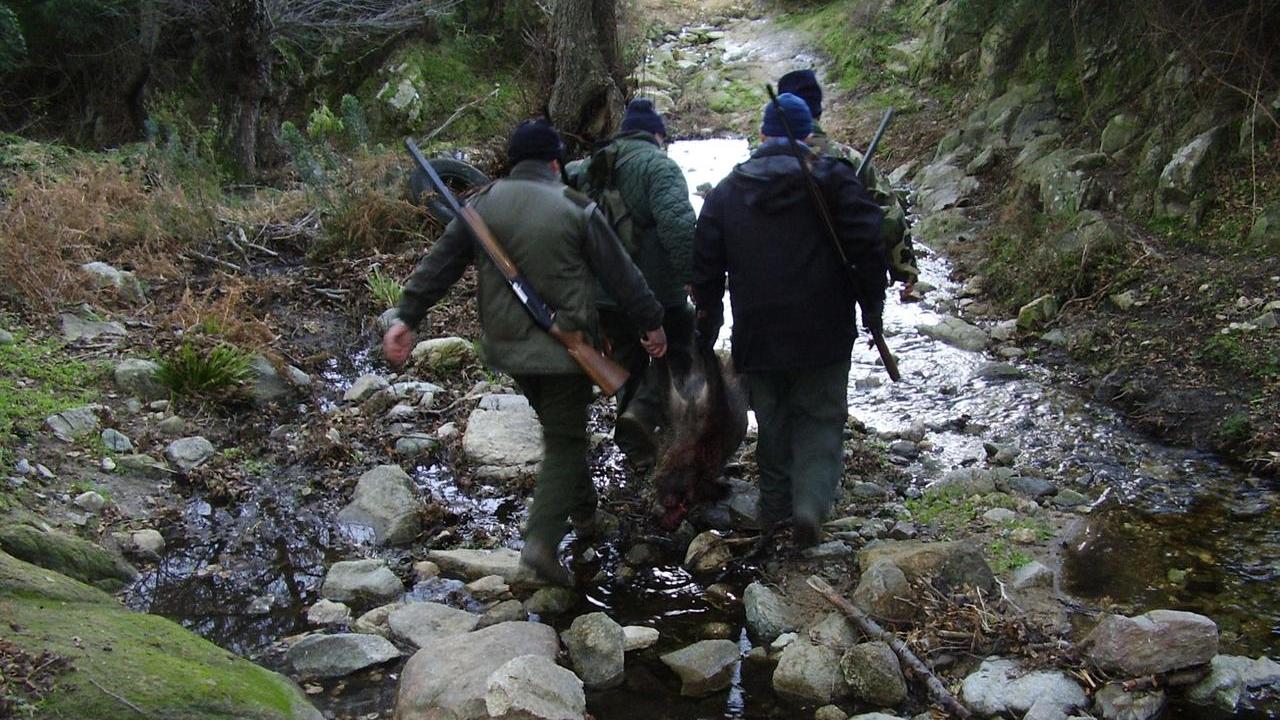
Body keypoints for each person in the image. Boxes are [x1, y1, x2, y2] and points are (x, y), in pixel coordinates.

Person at [384, 118, 668, 584]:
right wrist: (652, 322)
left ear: (513, 163)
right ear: (556, 163)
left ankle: (584, 515)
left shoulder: (480, 206)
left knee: (560, 431)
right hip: (565, 352)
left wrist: (407, 316)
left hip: (508, 353)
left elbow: (439, 266)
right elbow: (623, 275)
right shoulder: (576, 207)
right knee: (566, 442)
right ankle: (541, 541)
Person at [692, 94, 887, 547]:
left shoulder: (727, 190)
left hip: (759, 336)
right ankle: (809, 509)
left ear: (761, 136)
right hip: (826, 334)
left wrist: (710, 327)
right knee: (820, 421)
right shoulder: (835, 180)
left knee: (774, 424)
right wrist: (872, 309)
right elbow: (869, 246)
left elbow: (705, 266)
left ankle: (774, 511)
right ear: (807, 137)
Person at [566, 98, 697, 472]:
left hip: (604, 294)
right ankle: (657, 426)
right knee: (677, 356)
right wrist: (692, 278)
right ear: (657, 134)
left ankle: (638, 450)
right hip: (658, 294)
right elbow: (678, 228)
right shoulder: (660, 167)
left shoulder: (590, 166)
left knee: (625, 365)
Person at [777, 69, 920, 300]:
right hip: (842, 279)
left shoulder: (765, 160)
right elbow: (891, 214)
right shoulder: (849, 158)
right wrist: (906, 271)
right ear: (818, 111)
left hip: (779, 281)